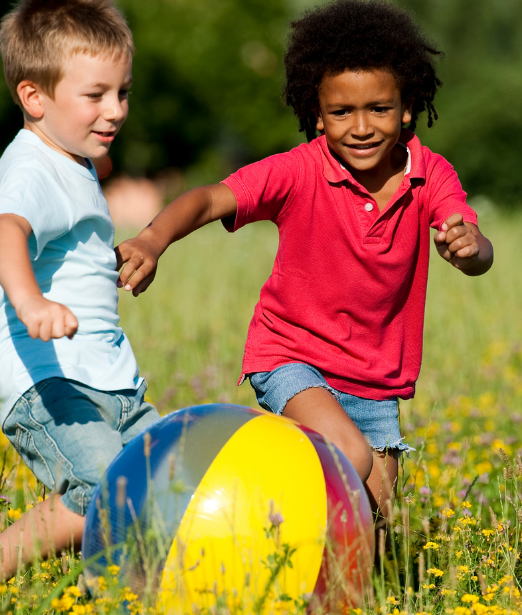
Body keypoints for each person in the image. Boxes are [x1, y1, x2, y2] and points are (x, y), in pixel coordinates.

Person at [115, 0, 494, 515]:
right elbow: (208, 198)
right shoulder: (297, 172)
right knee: (349, 455)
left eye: (379, 109)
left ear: (406, 108)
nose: (361, 127)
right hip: (292, 358)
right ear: (318, 116)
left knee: (374, 525)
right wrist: (151, 240)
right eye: (342, 112)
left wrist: (469, 248)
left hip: (377, 382)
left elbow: (474, 244)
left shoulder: (432, 175)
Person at [0, 0, 157, 610]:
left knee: (162, 481)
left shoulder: (71, 163)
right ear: (35, 97)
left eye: (122, 92)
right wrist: (32, 305)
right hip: (52, 379)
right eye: (96, 95)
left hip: (108, 379)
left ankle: (139, 597)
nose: (115, 110)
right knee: (106, 489)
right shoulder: (31, 171)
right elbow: (3, 239)